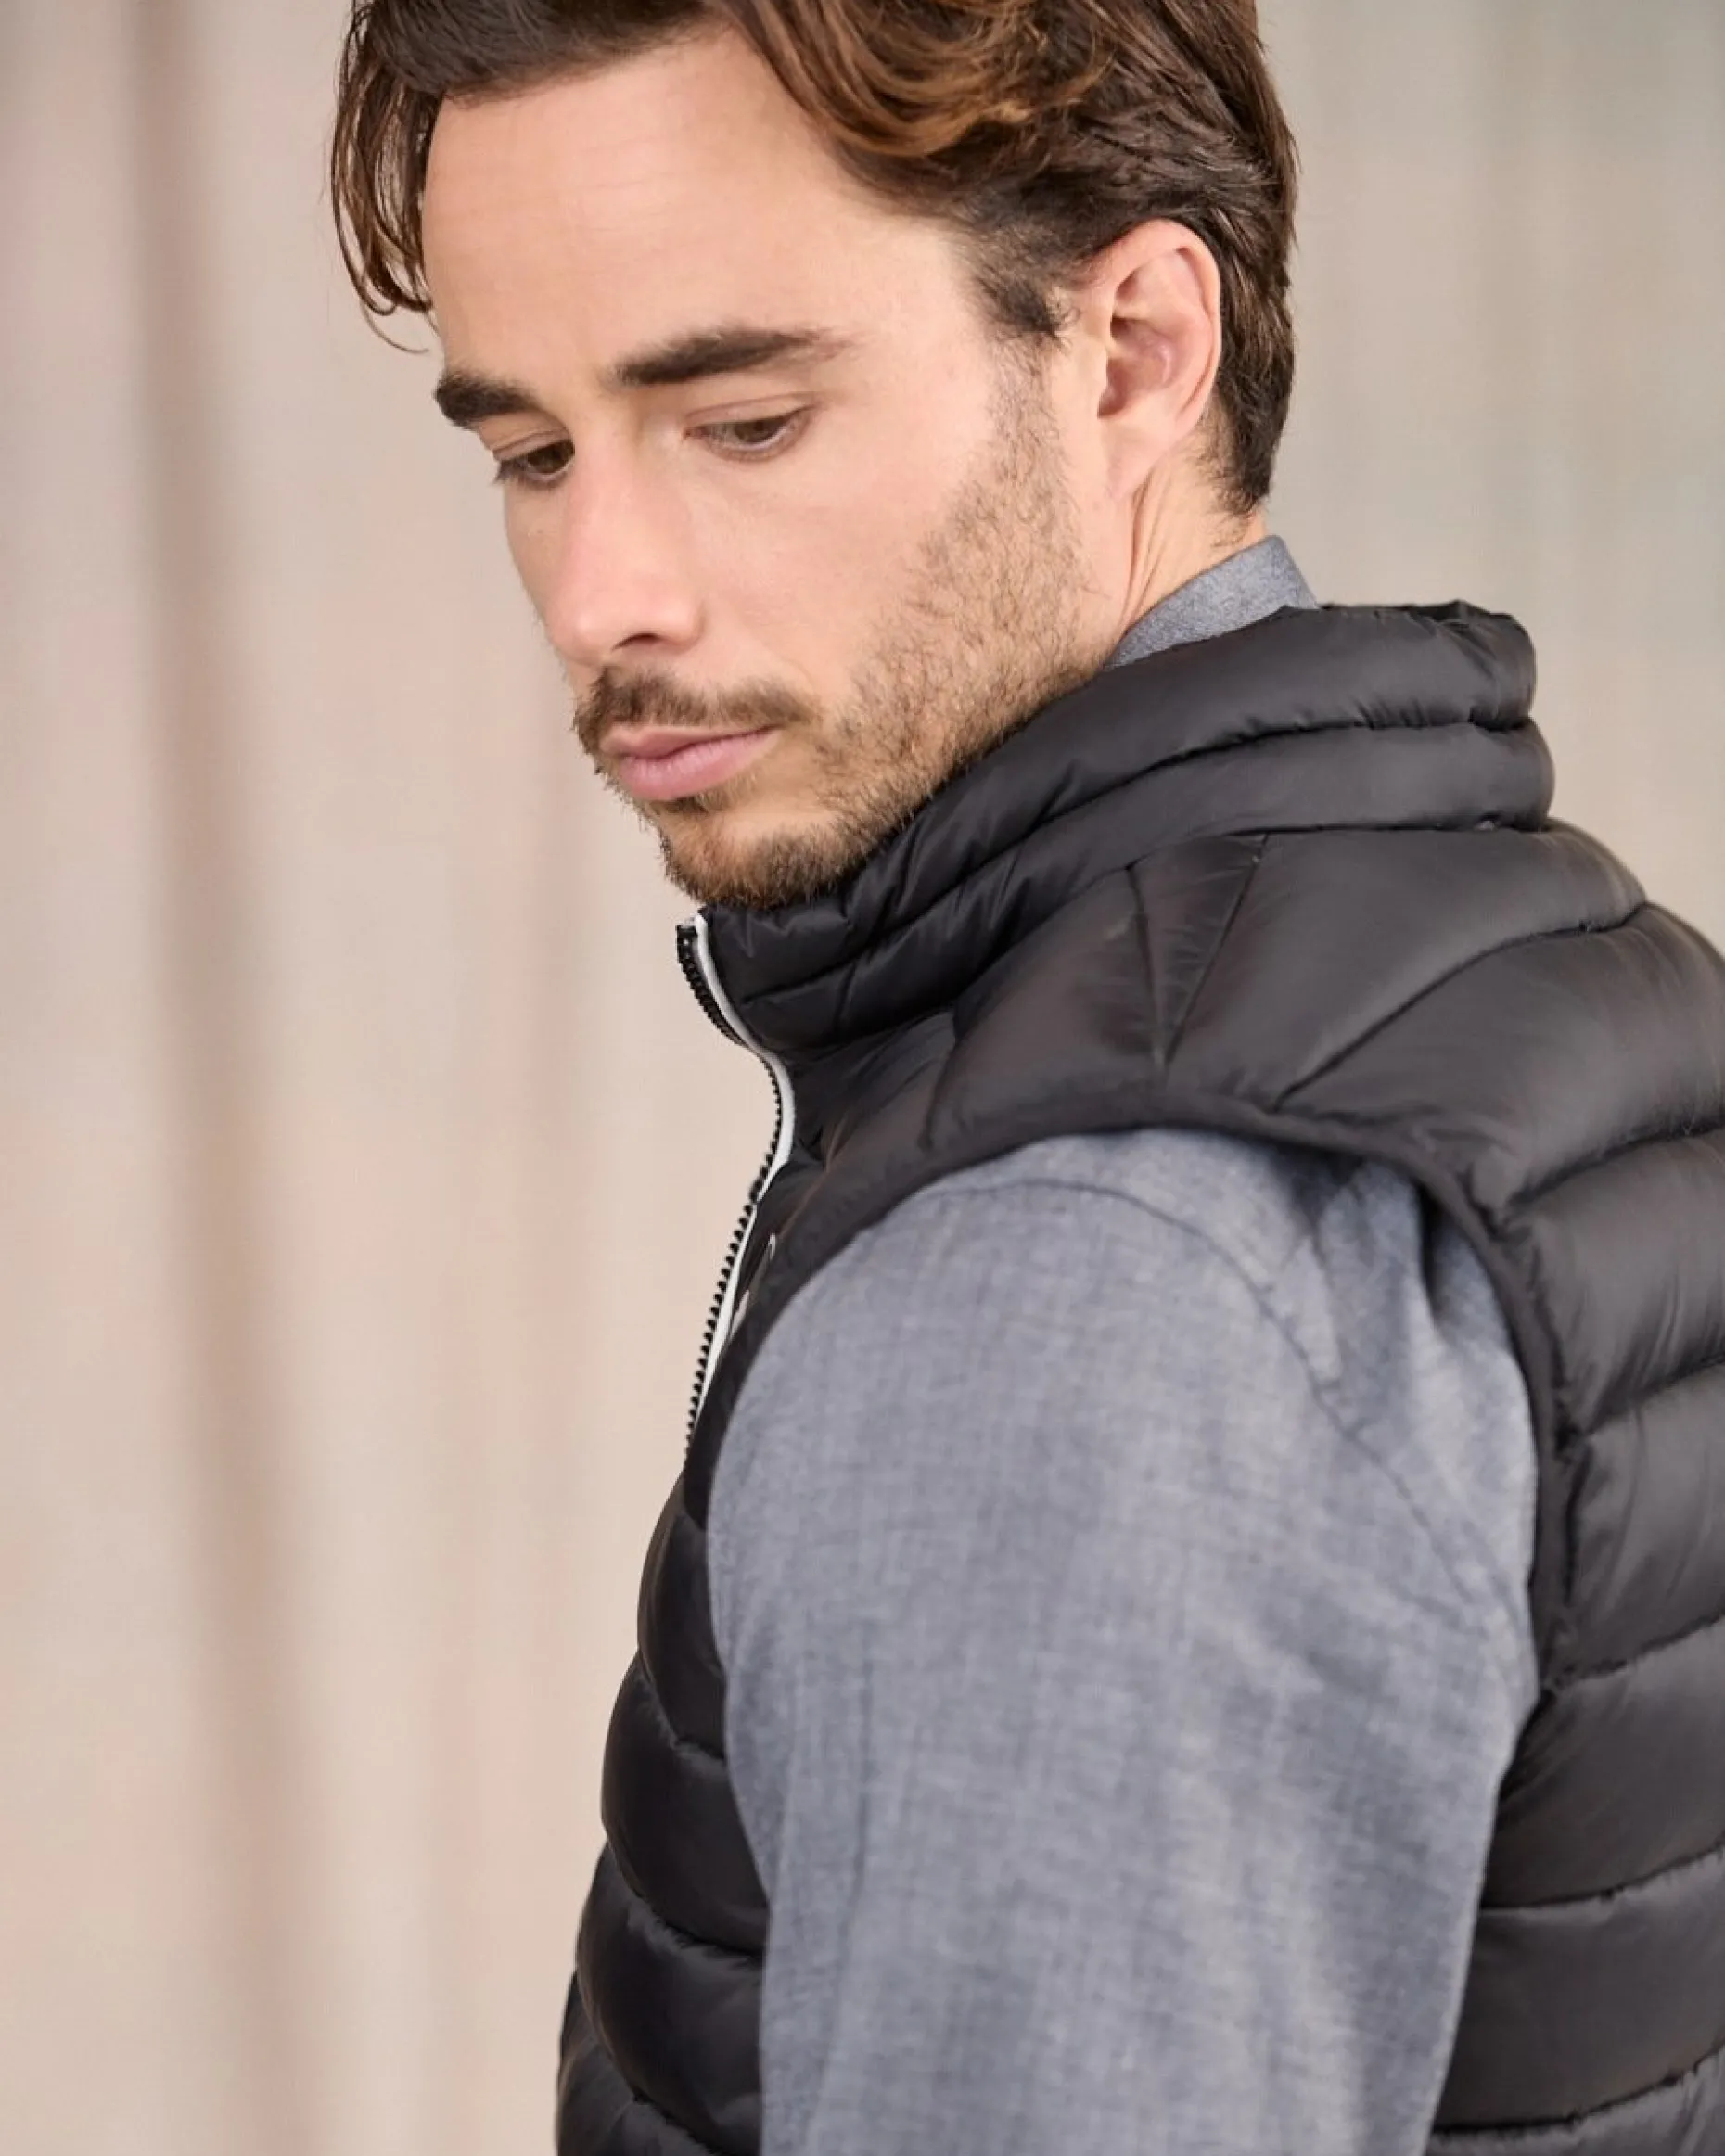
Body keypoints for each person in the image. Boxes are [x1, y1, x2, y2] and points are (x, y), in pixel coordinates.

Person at [330, 5, 1725, 2151]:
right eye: (532, 453)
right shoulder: (1518, 968)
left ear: (1136, 351)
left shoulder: (1088, 1282)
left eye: (744, 420)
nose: (602, 597)